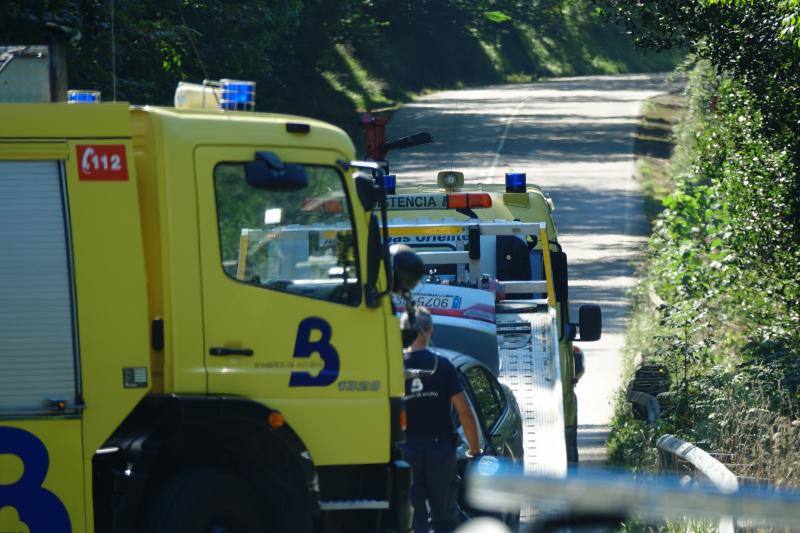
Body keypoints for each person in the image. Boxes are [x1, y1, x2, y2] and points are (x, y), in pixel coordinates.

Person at [400, 306, 482, 533]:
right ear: (430, 331)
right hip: (440, 452)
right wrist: (475, 450)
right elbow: (464, 412)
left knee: (414, 517)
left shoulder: (394, 368)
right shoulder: (443, 366)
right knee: (444, 517)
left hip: (407, 452)